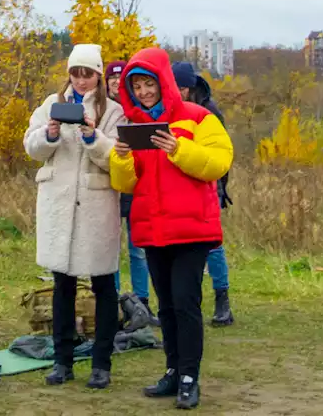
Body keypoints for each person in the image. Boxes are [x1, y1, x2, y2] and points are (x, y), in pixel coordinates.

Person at [109, 47, 233, 409]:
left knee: (186, 304)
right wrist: (119, 158)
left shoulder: (199, 118)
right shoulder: (136, 129)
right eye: (137, 87)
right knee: (165, 307)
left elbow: (218, 164)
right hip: (152, 230)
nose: (144, 93)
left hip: (193, 230)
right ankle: (173, 371)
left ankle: (190, 378)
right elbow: (127, 184)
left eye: (149, 84)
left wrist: (179, 149)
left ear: (163, 82)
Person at [23, 43, 123, 389]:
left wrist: (93, 136)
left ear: (98, 74)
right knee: (61, 284)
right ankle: (62, 361)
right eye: (76, 73)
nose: (81, 80)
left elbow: (116, 159)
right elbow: (32, 147)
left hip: (97, 205)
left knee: (103, 283)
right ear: (69, 73)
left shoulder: (113, 111)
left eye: (88, 73)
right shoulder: (52, 104)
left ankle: (101, 363)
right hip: (58, 204)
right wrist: (49, 134)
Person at [172, 61, 235, 327]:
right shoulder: (171, 111)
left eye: (181, 87)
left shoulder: (209, 112)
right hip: (181, 188)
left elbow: (221, 153)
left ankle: (223, 299)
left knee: (213, 246)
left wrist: (221, 188)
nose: (177, 91)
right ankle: (189, 302)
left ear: (189, 88)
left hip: (209, 186)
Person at [107, 60, 152, 312]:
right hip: (110, 187)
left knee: (138, 250)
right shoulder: (101, 110)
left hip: (136, 188)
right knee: (111, 250)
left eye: (119, 80)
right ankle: (111, 302)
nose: (115, 84)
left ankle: (142, 302)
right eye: (111, 80)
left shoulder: (139, 110)